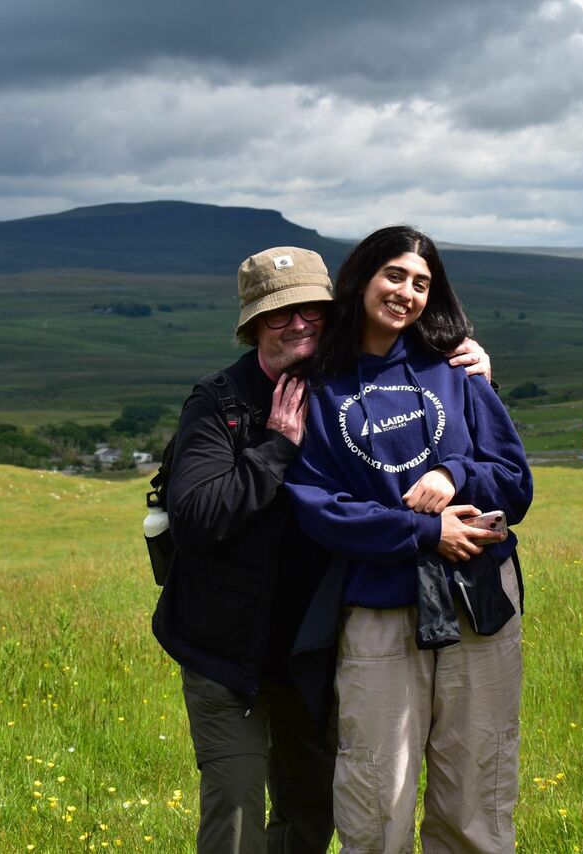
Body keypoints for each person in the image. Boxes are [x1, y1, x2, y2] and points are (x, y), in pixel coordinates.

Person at [152, 245, 492, 854]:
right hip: (223, 649)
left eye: (312, 309)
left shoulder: (348, 385)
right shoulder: (220, 403)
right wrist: (277, 447)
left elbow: (424, 434)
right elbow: (198, 517)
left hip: (310, 649)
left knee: (311, 807)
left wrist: (471, 372)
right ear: (254, 325)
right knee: (236, 807)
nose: (299, 324)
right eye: (279, 314)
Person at [285, 226, 533, 853]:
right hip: (380, 600)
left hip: (478, 596)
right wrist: (426, 530)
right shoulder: (320, 385)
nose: (407, 292)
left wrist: (454, 474)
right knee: (376, 784)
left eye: (422, 283)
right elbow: (318, 507)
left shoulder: (455, 368)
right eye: (394, 275)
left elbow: (514, 481)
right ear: (361, 279)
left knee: (478, 775)